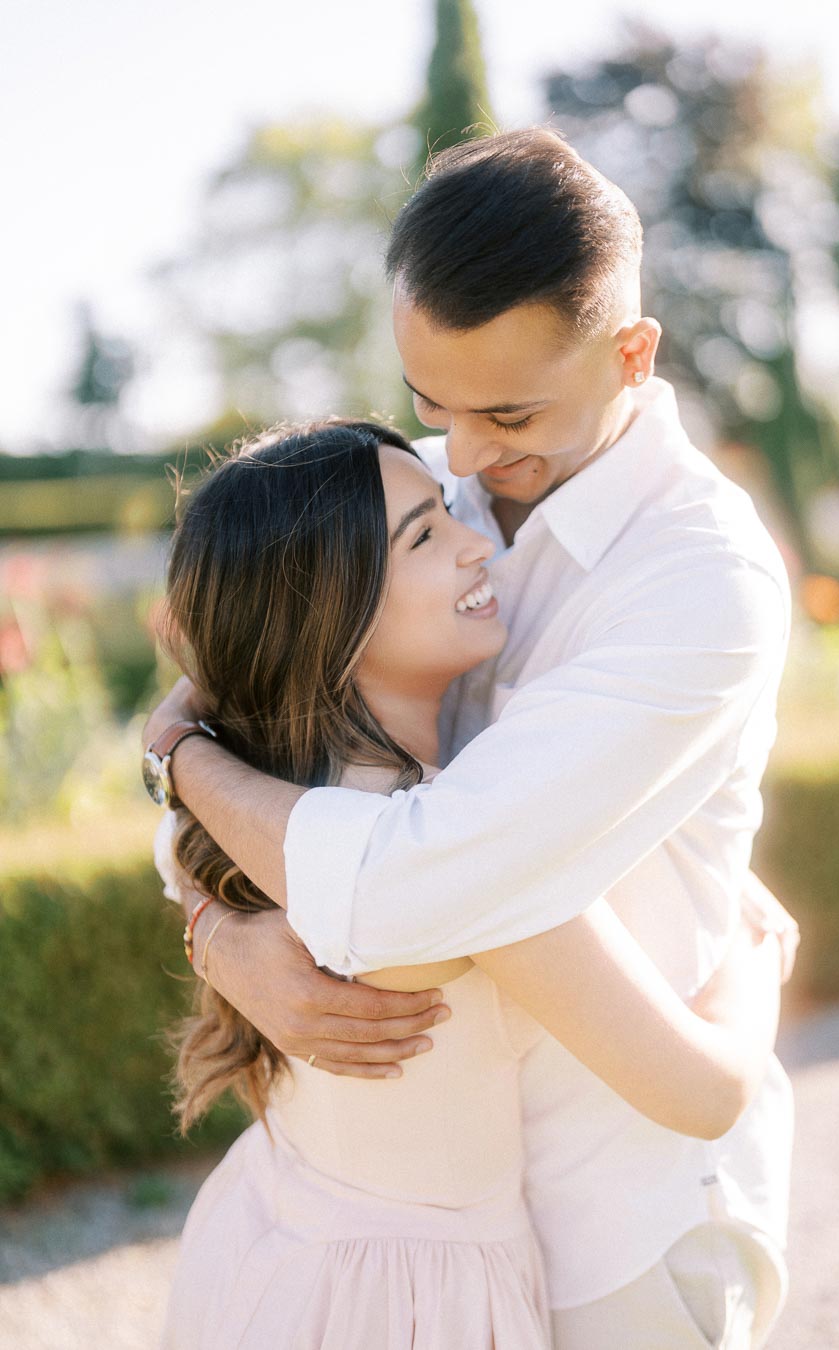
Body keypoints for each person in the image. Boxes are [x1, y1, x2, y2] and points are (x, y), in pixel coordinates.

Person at [144, 128, 795, 1348]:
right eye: (430, 405)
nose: (464, 465)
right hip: (404, 1241)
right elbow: (265, 712)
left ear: (632, 354)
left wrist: (183, 764)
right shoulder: (422, 489)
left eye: (507, 411)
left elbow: (413, 879)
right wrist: (219, 927)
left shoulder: (702, 583)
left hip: (617, 1216)